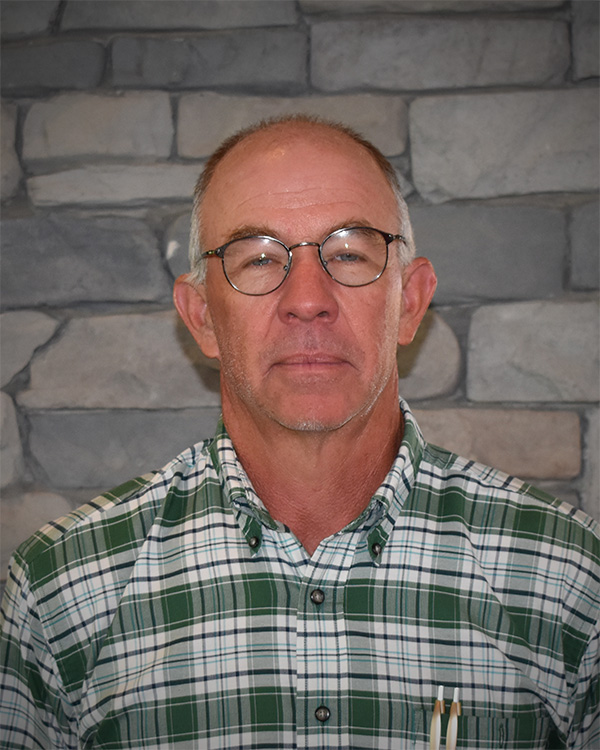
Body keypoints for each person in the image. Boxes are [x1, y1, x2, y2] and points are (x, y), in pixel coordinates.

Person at [0, 116, 598, 750]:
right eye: (259, 258)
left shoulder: (567, 580)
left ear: (410, 302)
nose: (308, 299)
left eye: (349, 253)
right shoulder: (61, 592)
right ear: (202, 318)